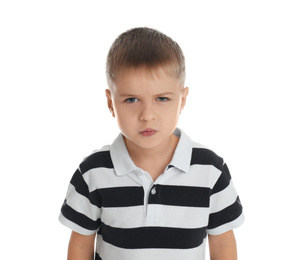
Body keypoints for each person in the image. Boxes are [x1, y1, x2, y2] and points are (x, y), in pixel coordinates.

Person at [59, 27, 244, 260]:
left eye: (162, 99)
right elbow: (80, 246)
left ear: (182, 100)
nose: (147, 115)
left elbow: (224, 246)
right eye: (132, 99)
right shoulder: (93, 173)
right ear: (110, 102)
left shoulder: (210, 171)